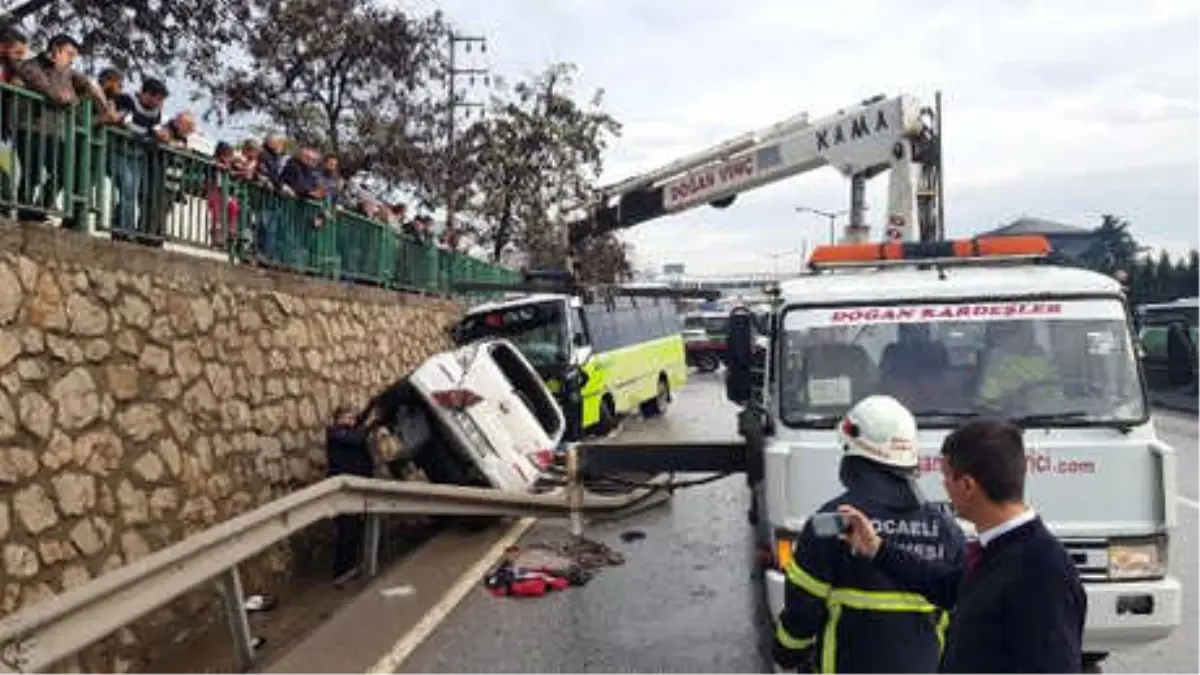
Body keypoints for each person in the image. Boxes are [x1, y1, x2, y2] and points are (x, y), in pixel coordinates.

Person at [837, 419, 1086, 675]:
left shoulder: (1042, 570)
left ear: (967, 485)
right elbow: (948, 586)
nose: (943, 486)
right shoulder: (997, 550)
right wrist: (877, 548)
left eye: (946, 476)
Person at [772, 395, 966, 675]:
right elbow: (957, 626)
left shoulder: (833, 523)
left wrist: (786, 652)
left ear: (853, 456)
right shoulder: (948, 531)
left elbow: (802, 613)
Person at [326, 404, 379, 587]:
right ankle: (339, 571)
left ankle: (350, 568)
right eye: (347, 417)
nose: (351, 421)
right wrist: (369, 424)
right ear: (338, 419)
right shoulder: (335, 433)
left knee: (355, 529)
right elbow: (354, 439)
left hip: (356, 490)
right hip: (342, 492)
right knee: (345, 530)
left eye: (353, 418)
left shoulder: (354, 435)